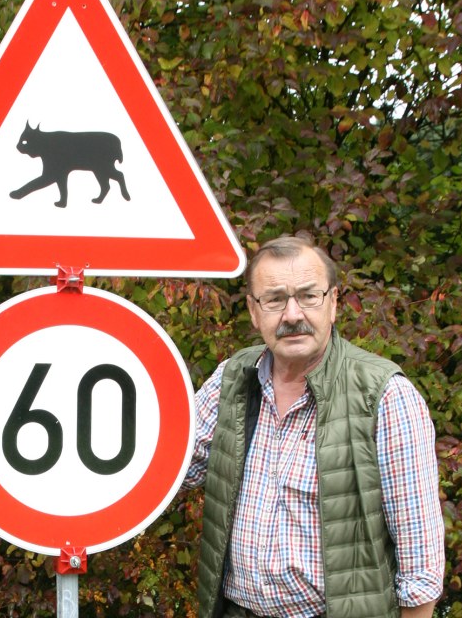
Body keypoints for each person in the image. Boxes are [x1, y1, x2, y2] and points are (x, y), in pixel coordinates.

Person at [183, 235, 444, 618]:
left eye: (308, 296)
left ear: (333, 303)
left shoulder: (384, 396)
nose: (292, 315)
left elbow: (420, 562)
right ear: (254, 313)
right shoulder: (233, 378)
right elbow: (173, 468)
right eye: (274, 299)